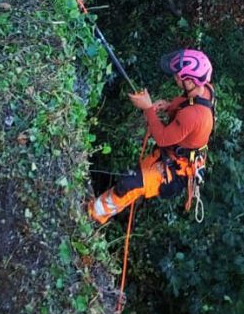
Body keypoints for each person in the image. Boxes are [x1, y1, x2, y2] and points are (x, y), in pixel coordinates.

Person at [88, 49, 215, 224]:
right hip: (172, 155)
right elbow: (187, 105)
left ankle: (93, 216)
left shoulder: (194, 115)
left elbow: (162, 137)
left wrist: (147, 108)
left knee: (128, 184)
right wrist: (170, 105)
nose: (175, 78)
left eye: (179, 76)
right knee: (133, 176)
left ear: (192, 82)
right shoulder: (204, 90)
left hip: (177, 170)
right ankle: (98, 209)